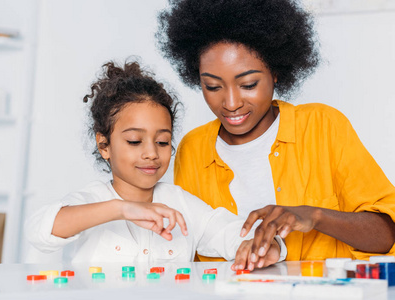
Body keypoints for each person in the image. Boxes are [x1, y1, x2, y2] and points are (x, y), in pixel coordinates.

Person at [156, 0, 395, 270]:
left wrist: (314, 216)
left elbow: (386, 235)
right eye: (212, 86)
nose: (231, 102)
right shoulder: (193, 148)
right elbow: (190, 248)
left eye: (248, 84)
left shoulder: (322, 125)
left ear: (276, 72)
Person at [25, 60, 285, 269]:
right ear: (104, 145)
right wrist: (122, 209)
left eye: (162, 142)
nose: (151, 153)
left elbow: (231, 233)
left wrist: (264, 246)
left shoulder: (180, 204)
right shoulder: (92, 200)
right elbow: (40, 230)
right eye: (135, 141)